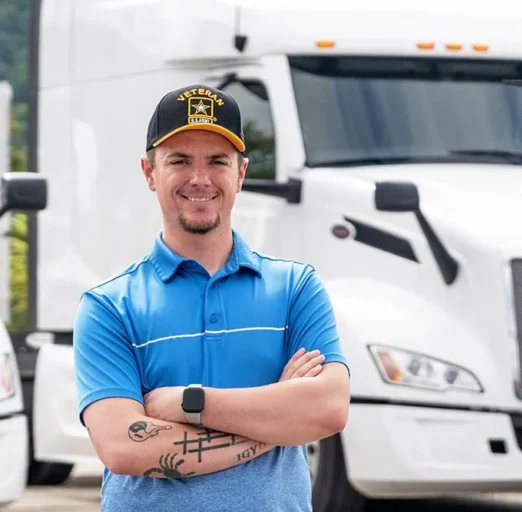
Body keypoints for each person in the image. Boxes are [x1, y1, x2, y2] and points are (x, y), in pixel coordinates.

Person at [73, 84, 350, 512]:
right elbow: (123, 447)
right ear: (149, 172)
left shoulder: (295, 287)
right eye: (179, 161)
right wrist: (277, 419)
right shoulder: (109, 306)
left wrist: (190, 402)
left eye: (217, 162)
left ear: (240, 174)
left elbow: (328, 410)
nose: (199, 179)